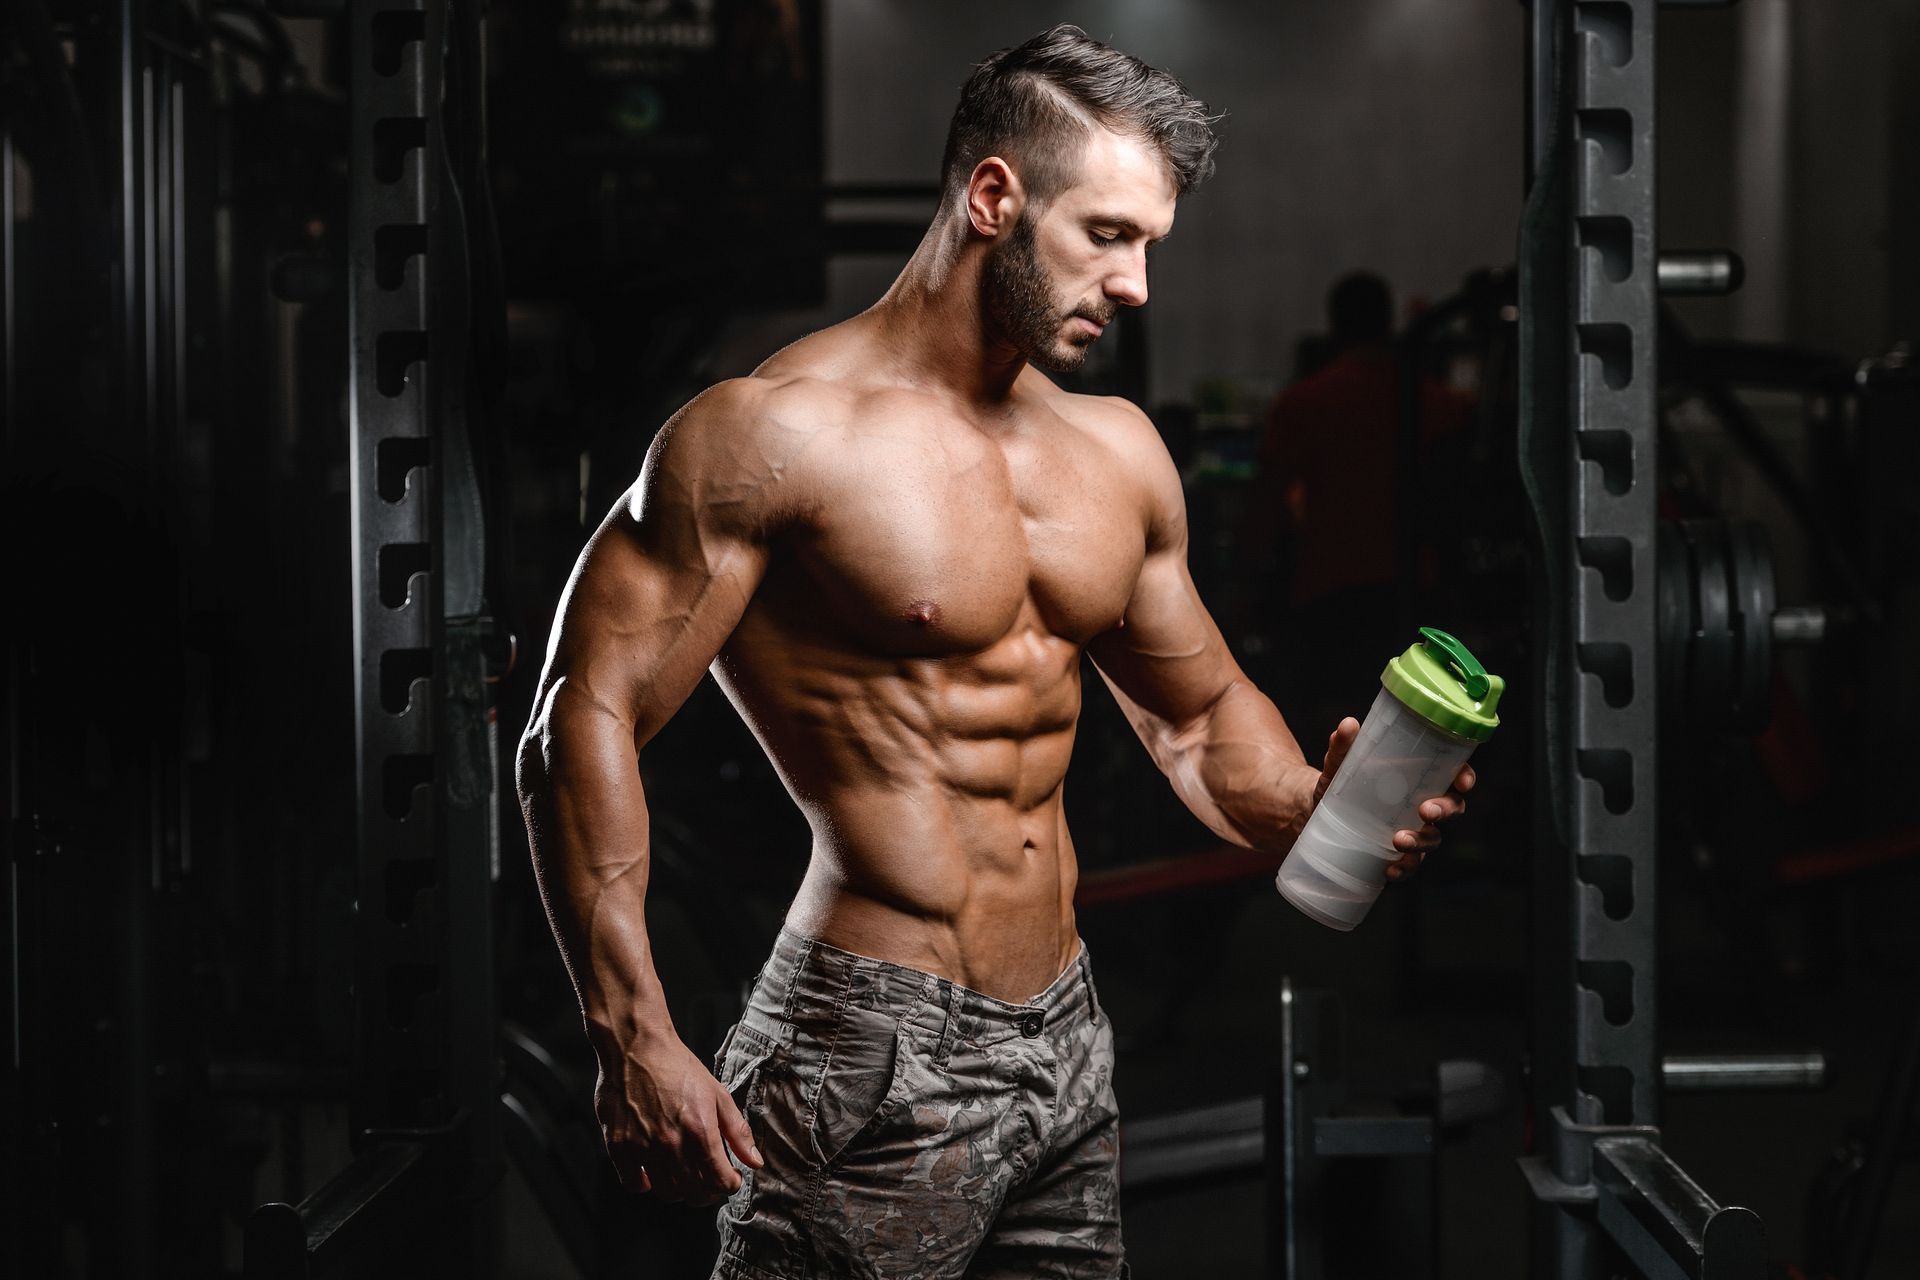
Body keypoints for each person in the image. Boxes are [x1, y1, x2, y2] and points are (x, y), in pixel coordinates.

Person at [516, 25, 1476, 1280]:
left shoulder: (1116, 450)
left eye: (1150, 246)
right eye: (1109, 236)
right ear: (992, 199)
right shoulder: (772, 435)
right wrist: (631, 1029)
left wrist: (1309, 803)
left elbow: (1194, 717)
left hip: (1068, 1032)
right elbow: (579, 718)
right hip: (874, 1038)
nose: (1136, 285)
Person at [1255, 272, 1474, 733]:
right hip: (1414, 590)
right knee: (1413, 729)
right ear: (1388, 321)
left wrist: (1244, 595)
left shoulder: (1305, 404)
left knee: (1334, 726)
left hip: (1330, 588)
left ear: (1334, 325)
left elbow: (1265, 509)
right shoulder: (1440, 403)